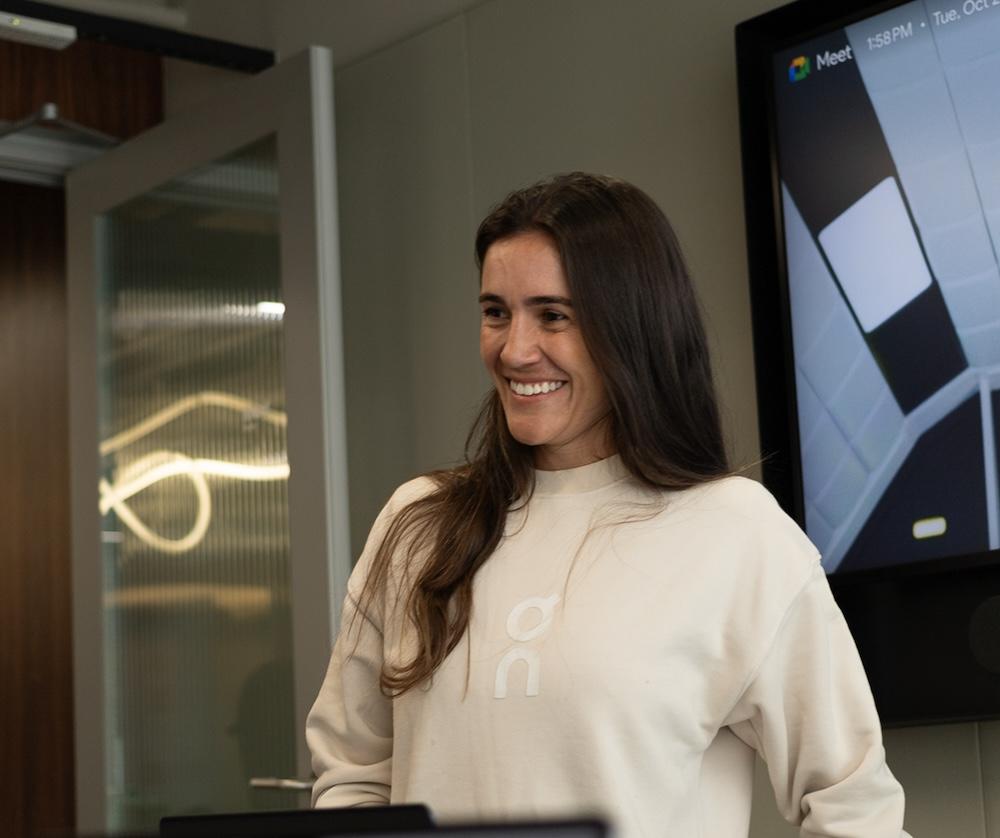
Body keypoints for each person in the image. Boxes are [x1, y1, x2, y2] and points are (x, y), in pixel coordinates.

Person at [306, 173, 909, 837]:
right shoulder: (418, 522)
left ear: (632, 327)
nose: (514, 350)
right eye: (495, 312)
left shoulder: (737, 533)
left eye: (554, 315)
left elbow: (853, 809)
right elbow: (351, 778)